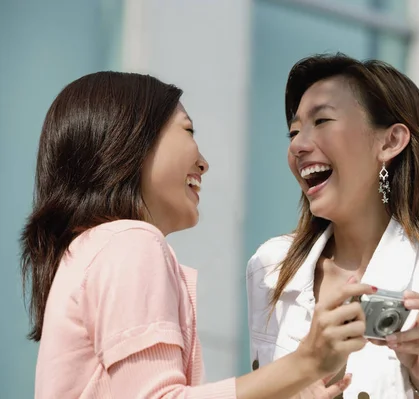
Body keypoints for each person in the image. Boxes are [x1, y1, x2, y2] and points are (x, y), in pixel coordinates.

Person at [20, 71, 375, 399]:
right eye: (188, 131)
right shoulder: (130, 242)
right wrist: (305, 362)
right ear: (129, 141)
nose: (203, 162)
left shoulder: (89, 250)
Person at [246, 53, 419, 398]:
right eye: (293, 131)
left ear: (390, 141)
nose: (298, 145)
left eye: (321, 121)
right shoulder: (271, 266)